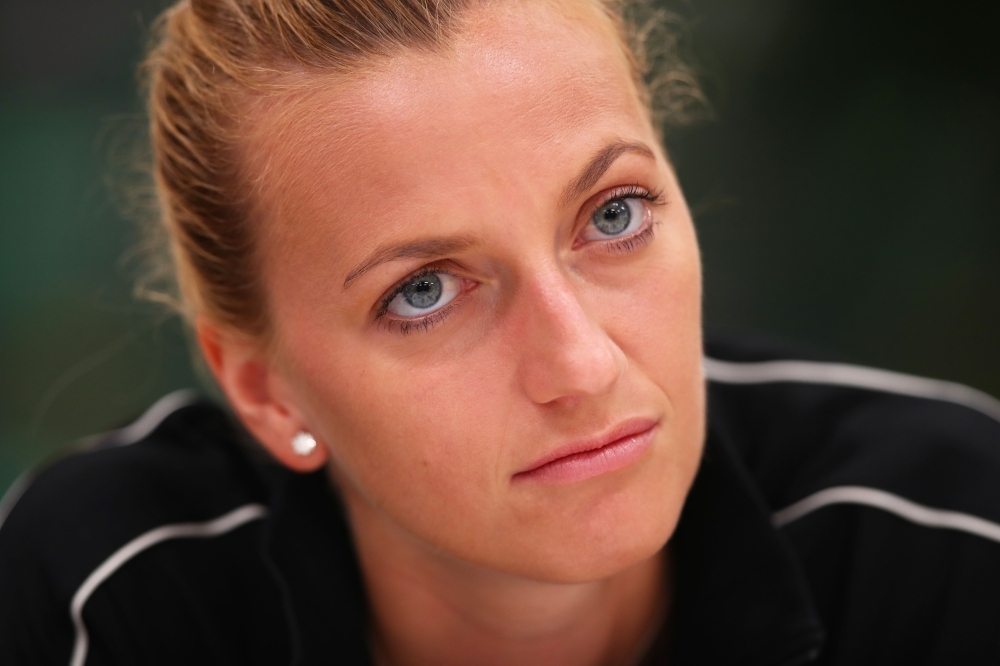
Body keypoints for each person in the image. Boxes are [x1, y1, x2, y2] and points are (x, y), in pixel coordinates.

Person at [1, 0, 999, 663]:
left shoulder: (949, 540)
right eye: (425, 291)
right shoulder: (114, 597)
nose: (581, 365)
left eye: (613, 215)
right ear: (267, 392)